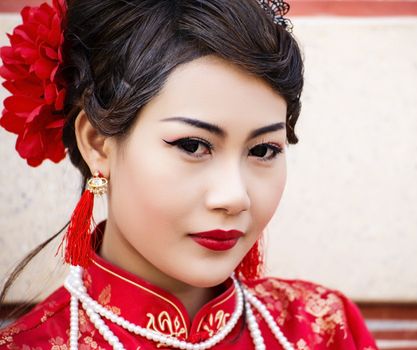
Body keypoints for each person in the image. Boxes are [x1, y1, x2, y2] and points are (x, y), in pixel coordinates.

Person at [0, 0, 377, 348]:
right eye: (193, 146)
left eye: (263, 150)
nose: (235, 197)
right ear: (98, 143)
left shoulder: (324, 329)